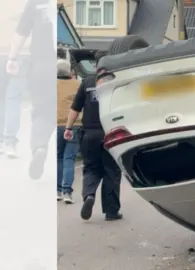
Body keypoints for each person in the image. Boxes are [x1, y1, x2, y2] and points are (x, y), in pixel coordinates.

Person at [64, 50, 123, 221]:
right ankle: (111, 212)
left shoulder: (87, 82)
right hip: (111, 134)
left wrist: (68, 128)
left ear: (95, 64)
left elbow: (75, 108)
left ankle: (89, 195)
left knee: (91, 168)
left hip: (89, 134)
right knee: (111, 171)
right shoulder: (117, 81)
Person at [6, 0, 56, 179]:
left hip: (39, 66)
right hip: (61, 64)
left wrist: (12, 59)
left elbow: (21, 33)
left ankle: (40, 146)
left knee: (41, 110)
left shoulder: (35, 3)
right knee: (57, 110)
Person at [57, 59, 81, 203]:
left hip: (56, 123)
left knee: (58, 157)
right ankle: (67, 192)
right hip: (75, 124)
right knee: (69, 159)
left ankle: (57, 190)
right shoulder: (78, 84)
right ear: (70, 71)